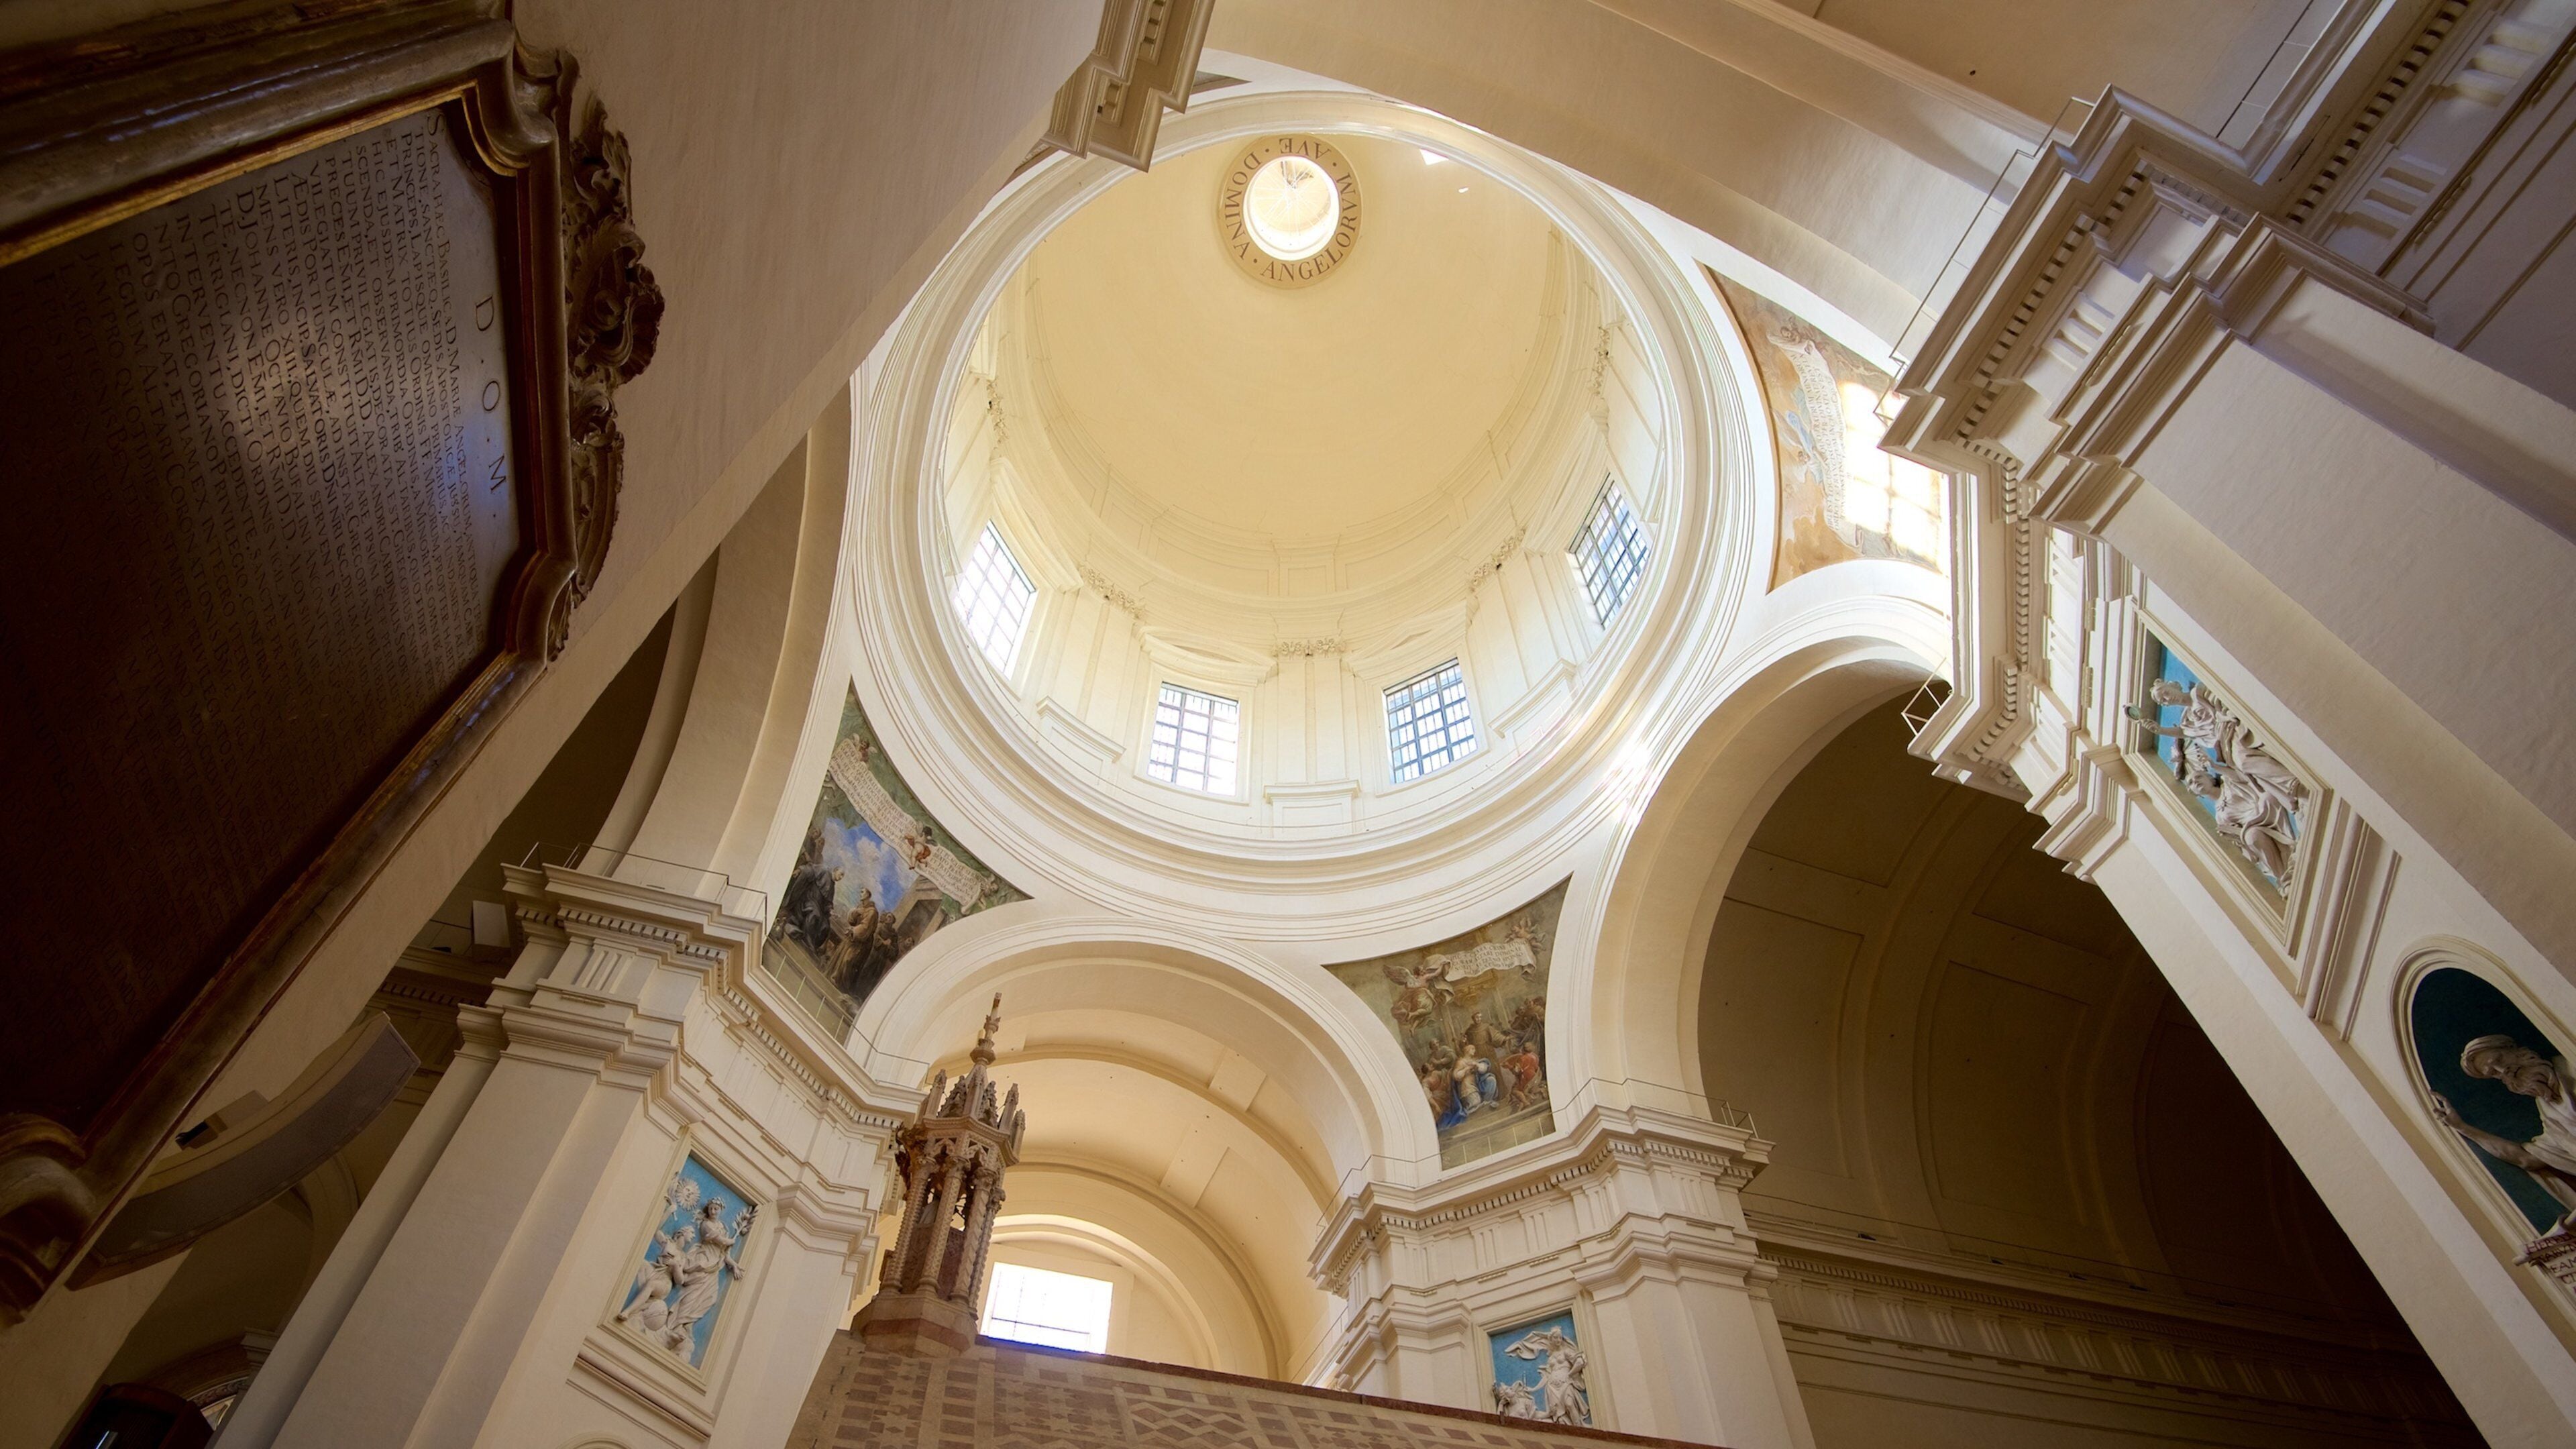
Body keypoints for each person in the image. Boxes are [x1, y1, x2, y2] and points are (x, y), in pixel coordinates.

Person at [2432, 1034, 2576, 1232]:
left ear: (2514, 1049)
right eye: (2493, 1072)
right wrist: (2463, 1128)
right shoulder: (2549, 1112)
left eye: (2499, 1059)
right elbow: (2527, 1159)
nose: (2502, 1070)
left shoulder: (2570, 1063)